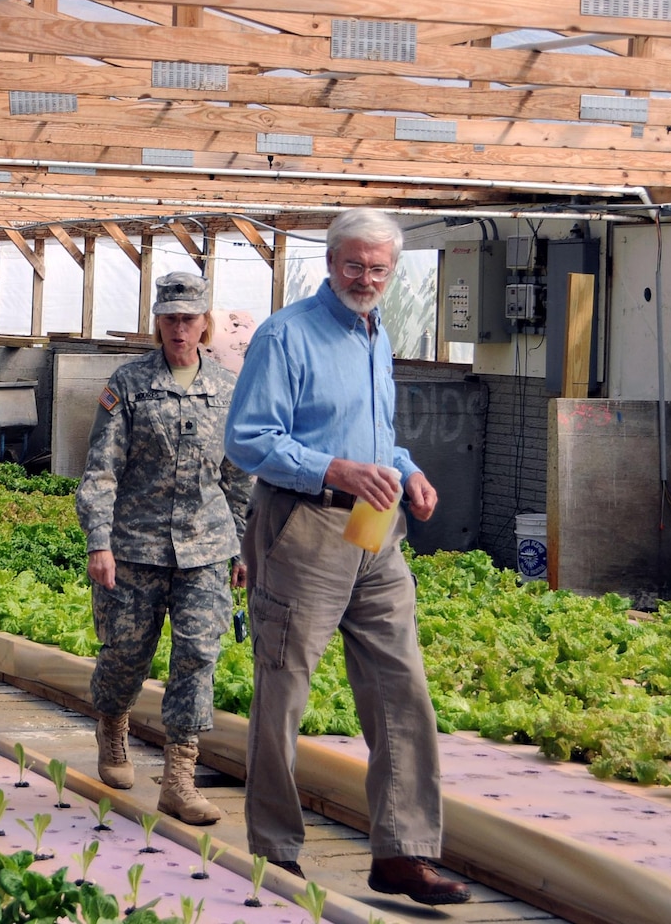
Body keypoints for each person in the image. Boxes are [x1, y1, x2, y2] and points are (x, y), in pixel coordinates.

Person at [223, 208, 470, 905]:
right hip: (304, 526)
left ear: (392, 272)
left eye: (379, 269)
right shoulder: (286, 335)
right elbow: (248, 439)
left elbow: (372, 435)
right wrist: (336, 470)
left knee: (402, 688)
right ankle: (276, 849)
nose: (366, 278)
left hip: (374, 528)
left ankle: (404, 852)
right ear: (331, 262)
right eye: (354, 265)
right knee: (285, 689)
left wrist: (406, 469)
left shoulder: (374, 331)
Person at [76, 272, 250, 826]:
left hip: (207, 549)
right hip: (135, 548)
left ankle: (179, 777)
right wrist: (99, 543)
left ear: (206, 324)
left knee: (198, 656)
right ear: (158, 322)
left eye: (190, 318)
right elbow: (101, 470)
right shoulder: (127, 385)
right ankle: (113, 723)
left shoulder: (227, 389)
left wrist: (243, 548)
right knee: (126, 655)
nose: (180, 328)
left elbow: (238, 477)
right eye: (171, 318)